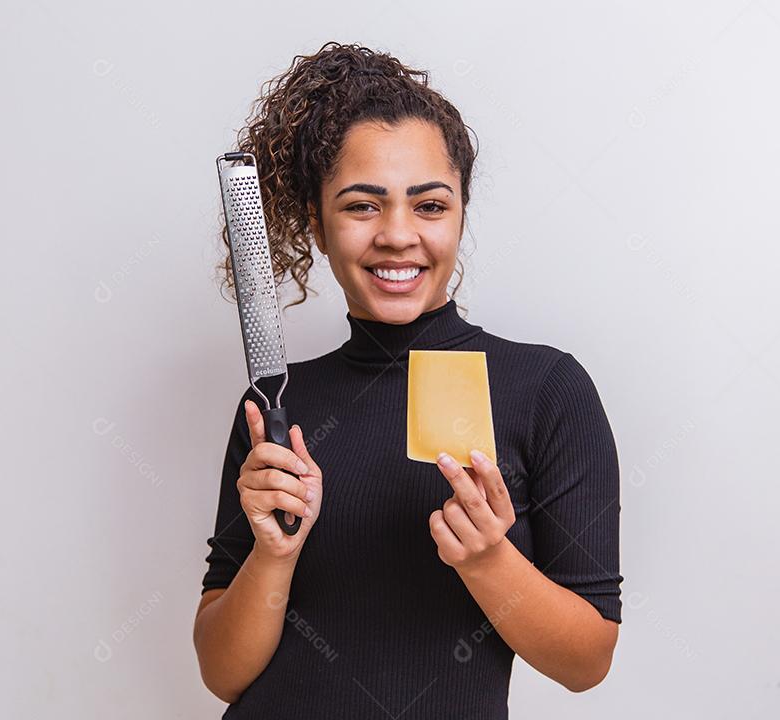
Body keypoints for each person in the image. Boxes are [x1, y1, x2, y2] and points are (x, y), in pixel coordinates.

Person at [193, 41, 622, 719]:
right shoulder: (275, 409)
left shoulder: (547, 390)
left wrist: (487, 560)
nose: (397, 234)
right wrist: (275, 553)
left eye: (429, 206)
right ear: (319, 226)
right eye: (362, 206)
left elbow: (586, 662)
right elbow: (222, 673)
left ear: (460, 214)